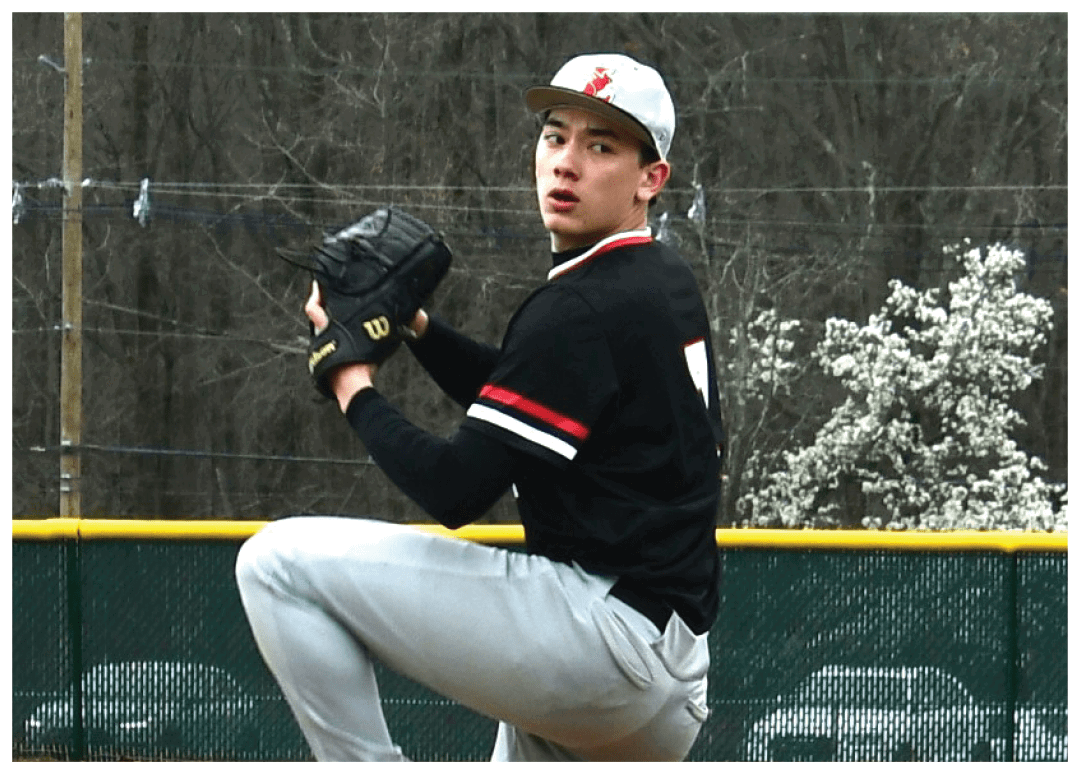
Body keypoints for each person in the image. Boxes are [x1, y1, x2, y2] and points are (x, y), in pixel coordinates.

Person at [235, 52, 724, 762]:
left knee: (276, 565)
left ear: (652, 179)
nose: (566, 163)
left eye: (601, 146)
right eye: (555, 136)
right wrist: (419, 329)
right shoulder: (657, 279)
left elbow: (456, 486)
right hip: (663, 675)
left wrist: (352, 385)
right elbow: (525, 391)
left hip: (600, 644)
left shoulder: (580, 305)